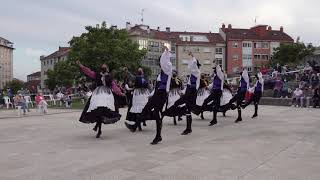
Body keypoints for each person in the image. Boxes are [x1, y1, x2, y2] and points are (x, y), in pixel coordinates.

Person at [127, 47, 172, 145]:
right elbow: (156, 87)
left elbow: (165, 61)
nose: (159, 64)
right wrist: (151, 94)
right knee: (147, 109)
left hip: (162, 94)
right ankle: (135, 127)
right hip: (157, 93)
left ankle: (157, 135)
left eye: (160, 62)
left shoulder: (168, 68)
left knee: (156, 113)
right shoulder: (161, 73)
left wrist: (166, 52)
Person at [76, 60, 122, 138]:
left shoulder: (109, 77)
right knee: (97, 109)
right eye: (103, 67)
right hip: (100, 93)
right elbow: (88, 72)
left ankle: (98, 127)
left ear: (107, 69)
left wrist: (120, 92)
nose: (104, 68)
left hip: (106, 94)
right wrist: (81, 66)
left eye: (105, 67)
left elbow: (114, 86)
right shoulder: (97, 75)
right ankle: (98, 128)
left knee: (103, 110)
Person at [173, 52, 200, 135]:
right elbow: (187, 85)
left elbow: (193, 66)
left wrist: (192, 57)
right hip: (189, 92)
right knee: (187, 111)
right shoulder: (192, 75)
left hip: (192, 93)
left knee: (183, 105)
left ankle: (188, 128)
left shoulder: (197, 72)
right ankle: (188, 128)